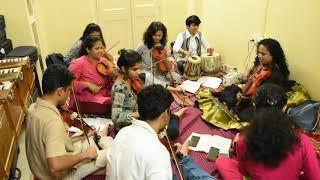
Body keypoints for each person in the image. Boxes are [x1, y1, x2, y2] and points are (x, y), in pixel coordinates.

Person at [107, 84, 216, 180]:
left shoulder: (123, 132)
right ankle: (185, 158)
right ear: (165, 114)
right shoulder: (158, 152)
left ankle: (184, 158)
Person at [25, 64, 113, 180]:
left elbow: (53, 140)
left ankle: (98, 138)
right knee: (111, 153)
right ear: (60, 91)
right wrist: (85, 155)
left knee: (86, 137)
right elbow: (55, 166)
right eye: (69, 91)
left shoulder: (32, 108)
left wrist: (83, 137)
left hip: (40, 168)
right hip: (59, 176)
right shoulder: (52, 121)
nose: (69, 95)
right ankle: (102, 139)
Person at [215, 107, 320, 180]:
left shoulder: (242, 142)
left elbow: (244, 171)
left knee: (221, 161)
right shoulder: (302, 140)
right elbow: (315, 177)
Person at [111, 49, 183, 129]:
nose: (139, 72)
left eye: (140, 68)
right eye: (135, 69)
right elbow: (116, 117)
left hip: (139, 116)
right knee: (169, 127)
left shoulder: (131, 78)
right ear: (124, 69)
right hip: (128, 126)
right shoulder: (120, 88)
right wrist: (141, 113)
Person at [68, 35, 114, 115]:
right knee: (112, 105)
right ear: (88, 49)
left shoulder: (104, 62)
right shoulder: (79, 63)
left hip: (104, 95)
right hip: (85, 99)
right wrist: (87, 84)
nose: (101, 51)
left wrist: (113, 76)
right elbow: (68, 84)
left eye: (102, 48)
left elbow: (109, 82)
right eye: (97, 48)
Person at [136, 21, 181, 86]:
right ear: (150, 34)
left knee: (177, 77)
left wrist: (169, 71)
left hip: (161, 72)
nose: (157, 38)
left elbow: (167, 59)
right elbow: (134, 59)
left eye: (159, 35)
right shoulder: (142, 45)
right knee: (150, 79)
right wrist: (139, 69)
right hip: (147, 72)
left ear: (163, 35)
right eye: (154, 35)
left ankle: (163, 85)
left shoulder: (164, 45)